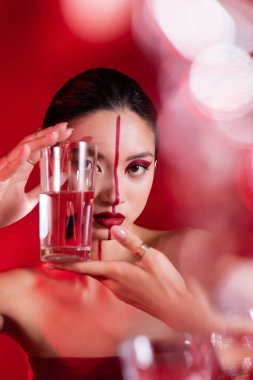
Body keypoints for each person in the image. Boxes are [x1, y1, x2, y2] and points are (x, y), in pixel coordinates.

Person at [0, 67, 253, 380]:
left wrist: (189, 317)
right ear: (50, 165)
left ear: (154, 168)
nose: (114, 194)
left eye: (136, 167)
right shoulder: (22, 293)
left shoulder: (198, 259)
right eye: (88, 165)